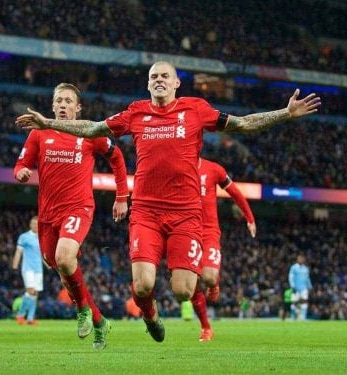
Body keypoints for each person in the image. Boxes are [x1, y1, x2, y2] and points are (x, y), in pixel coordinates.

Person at [16, 61, 321, 342]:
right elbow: (93, 128)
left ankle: (178, 311)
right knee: (143, 286)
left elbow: (242, 123)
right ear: (148, 85)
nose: (158, 80)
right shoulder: (135, 112)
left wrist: (285, 113)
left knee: (183, 290)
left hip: (186, 214)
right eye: (153, 77)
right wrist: (49, 124)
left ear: (176, 83)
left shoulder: (196, 109)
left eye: (164, 76)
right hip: (146, 212)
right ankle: (149, 314)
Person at [14, 83, 129, 349]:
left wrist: (122, 196)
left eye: (68, 101)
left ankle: (82, 312)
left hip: (78, 208)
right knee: (61, 266)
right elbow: (22, 163)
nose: (63, 105)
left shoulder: (90, 132)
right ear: (53, 106)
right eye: (59, 101)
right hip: (47, 216)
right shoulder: (39, 134)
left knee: (64, 259)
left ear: (78, 108)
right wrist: (21, 172)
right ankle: (99, 322)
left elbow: (117, 157)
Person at [190, 157, 256, 341]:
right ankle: (206, 327)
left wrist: (249, 217)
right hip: (186, 232)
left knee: (209, 277)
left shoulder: (213, 169)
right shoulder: (177, 166)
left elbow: (234, 192)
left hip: (209, 232)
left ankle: (214, 283)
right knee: (190, 284)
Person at [12, 216, 43, 326]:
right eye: (33, 223)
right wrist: (15, 264)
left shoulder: (42, 237)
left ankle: (30, 318)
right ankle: (20, 314)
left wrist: (48, 264)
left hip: (38, 269)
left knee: (35, 294)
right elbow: (18, 251)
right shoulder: (24, 237)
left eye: (37, 224)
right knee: (31, 291)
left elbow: (43, 254)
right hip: (28, 268)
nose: (35, 225)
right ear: (30, 225)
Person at [289, 254, 312, 320]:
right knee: (294, 302)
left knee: (304, 302)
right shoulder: (294, 267)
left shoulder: (305, 268)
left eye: (302, 259)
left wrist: (309, 286)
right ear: (297, 259)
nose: (301, 260)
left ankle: (303, 317)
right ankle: (293, 317)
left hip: (304, 288)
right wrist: (292, 286)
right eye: (299, 259)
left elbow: (307, 278)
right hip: (295, 288)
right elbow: (291, 277)